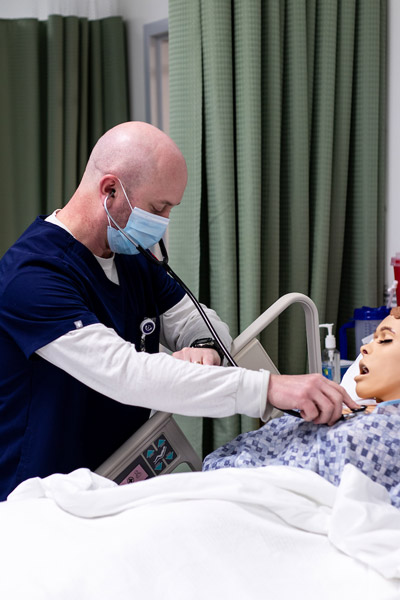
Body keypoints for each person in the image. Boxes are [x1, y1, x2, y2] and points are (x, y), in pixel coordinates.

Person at [0, 121, 357, 500]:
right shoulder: (32, 275)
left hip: (111, 482)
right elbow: (126, 374)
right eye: (159, 208)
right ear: (110, 190)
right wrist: (268, 388)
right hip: (38, 493)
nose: (164, 222)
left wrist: (205, 346)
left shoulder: (132, 258)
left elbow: (203, 322)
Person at [203, 308, 400, 507]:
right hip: (226, 480)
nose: (364, 349)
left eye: (385, 340)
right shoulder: (349, 407)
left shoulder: (388, 429)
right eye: (373, 339)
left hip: (247, 490)